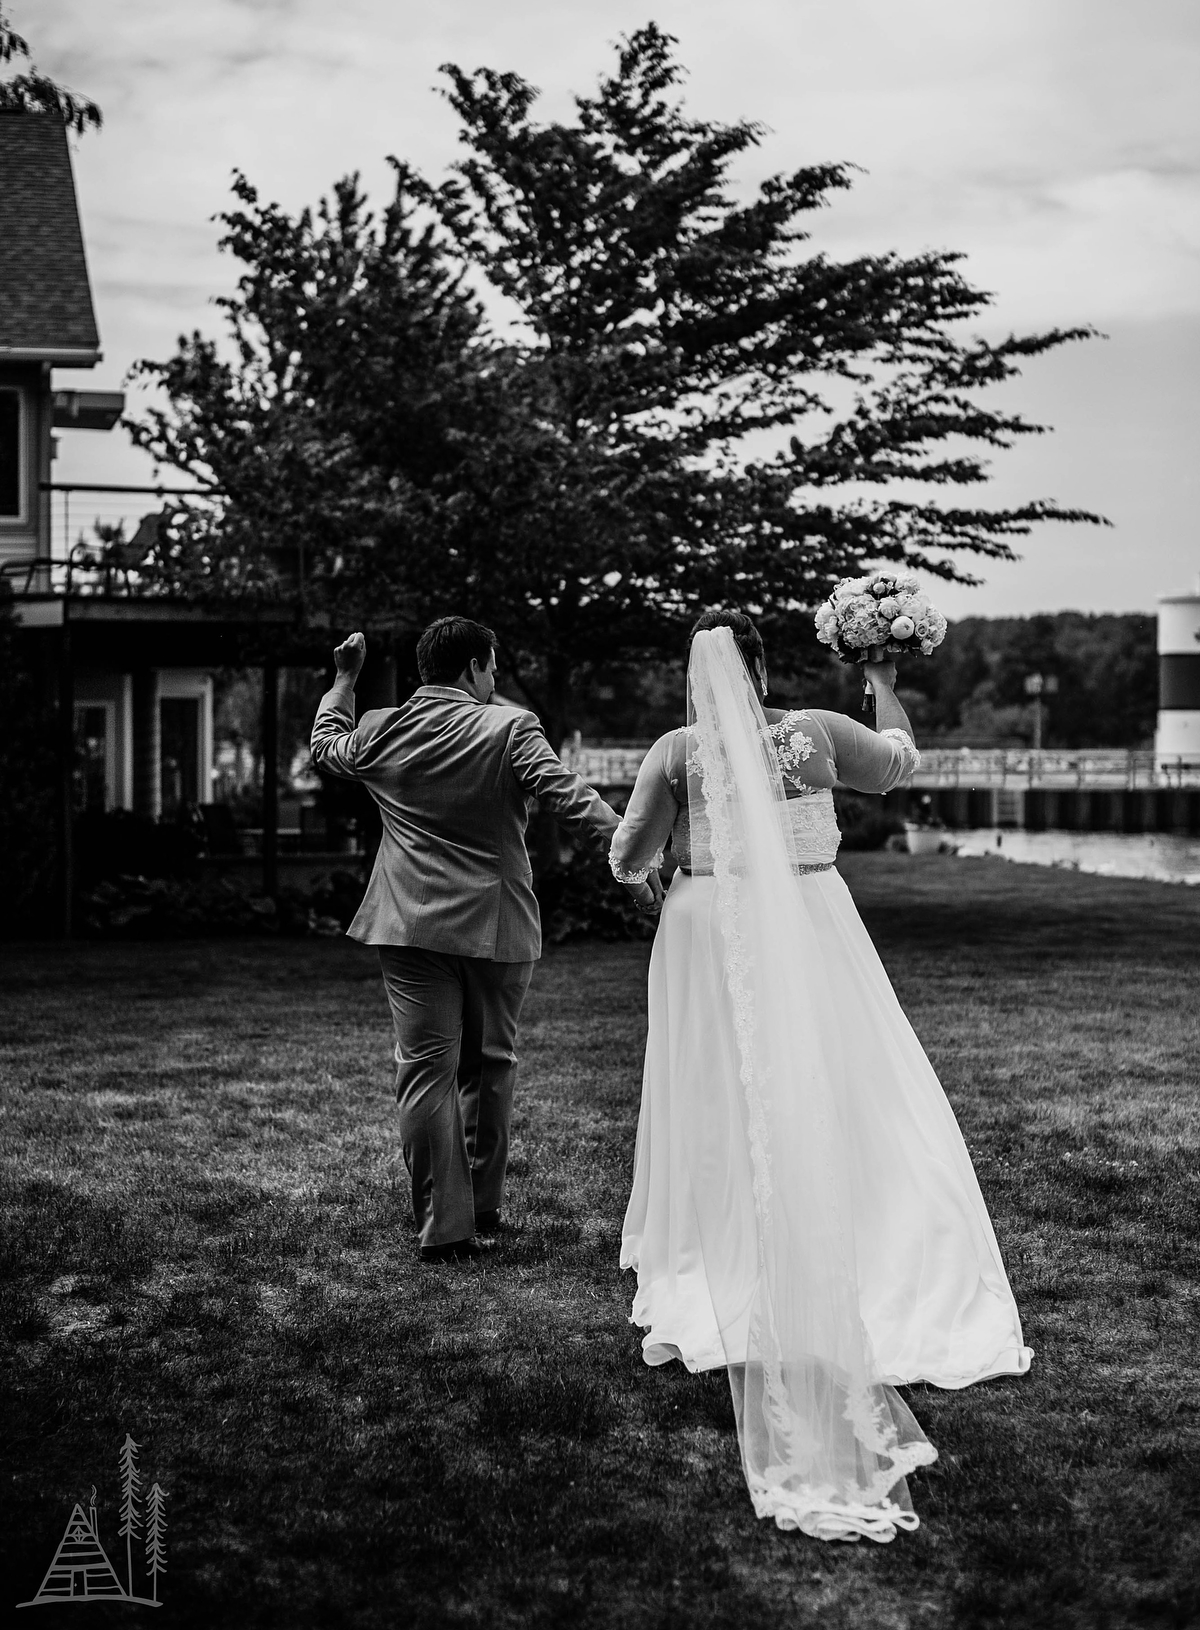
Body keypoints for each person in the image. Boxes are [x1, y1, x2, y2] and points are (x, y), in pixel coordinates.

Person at [609, 609, 1031, 1541]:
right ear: (760, 665)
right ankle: (871, 1231)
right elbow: (899, 762)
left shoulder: (676, 751)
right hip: (812, 920)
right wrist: (880, 676)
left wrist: (656, 879)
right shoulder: (815, 733)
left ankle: (721, 1244)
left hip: (708, 931)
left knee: (719, 1096)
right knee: (850, 1083)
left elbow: (629, 853)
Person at [311, 617, 627, 1263]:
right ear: (476, 666)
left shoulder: (379, 727)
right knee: (491, 1067)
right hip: (496, 923)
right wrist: (633, 847)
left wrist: (344, 679)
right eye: (492, 666)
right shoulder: (509, 726)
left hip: (407, 924)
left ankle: (443, 1227)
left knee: (426, 1071)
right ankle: (483, 1203)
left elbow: (325, 743)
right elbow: (566, 795)